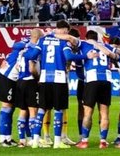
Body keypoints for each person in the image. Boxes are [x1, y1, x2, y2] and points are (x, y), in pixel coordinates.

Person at [30, 20, 81, 149]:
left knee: (41, 109)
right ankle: (58, 142)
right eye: (66, 31)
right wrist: (85, 56)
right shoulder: (64, 41)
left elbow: (32, 54)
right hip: (59, 79)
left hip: (44, 78)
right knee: (58, 110)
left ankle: (35, 141)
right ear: (64, 29)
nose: (66, 33)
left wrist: (24, 53)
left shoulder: (43, 40)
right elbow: (68, 56)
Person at [0, 28, 42, 147]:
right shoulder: (27, 46)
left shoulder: (30, 47)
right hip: (7, 77)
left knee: (19, 108)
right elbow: (16, 45)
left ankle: (15, 138)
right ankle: (3, 139)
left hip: (17, 79)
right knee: (6, 107)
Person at [75, 30, 113, 149]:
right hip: (106, 80)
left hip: (92, 80)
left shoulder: (84, 45)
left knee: (88, 113)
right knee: (104, 113)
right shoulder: (106, 46)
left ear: (86, 38)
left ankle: (84, 141)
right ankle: (103, 142)